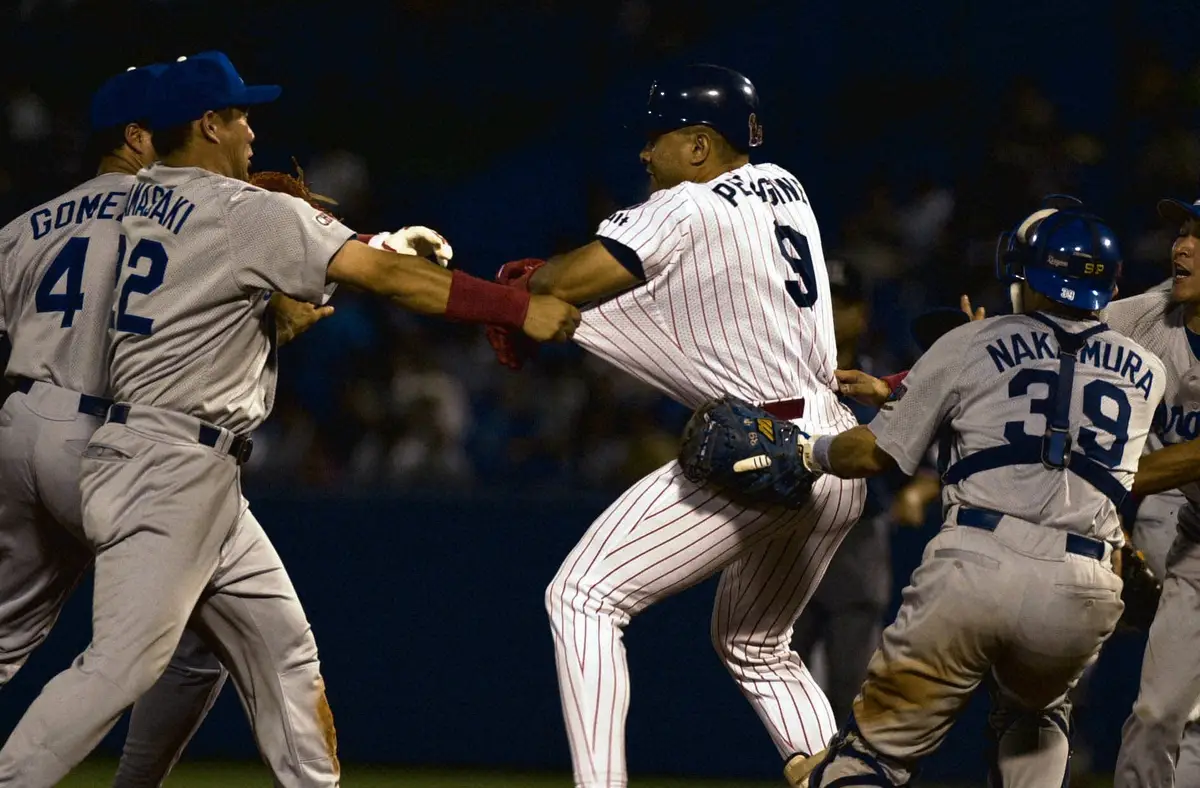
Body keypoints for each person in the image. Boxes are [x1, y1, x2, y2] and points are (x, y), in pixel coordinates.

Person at [0, 50, 579, 787]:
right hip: (163, 458)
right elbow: (370, 276)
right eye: (240, 115)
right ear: (206, 124)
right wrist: (515, 306)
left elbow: (228, 304)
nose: (252, 131)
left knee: (280, 646)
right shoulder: (237, 210)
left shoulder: (123, 211)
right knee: (121, 665)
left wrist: (369, 248)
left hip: (136, 442)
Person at [487, 64, 866, 788]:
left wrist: (512, 293)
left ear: (698, 146)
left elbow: (565, 285)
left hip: (762, 452)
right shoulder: (788, 187)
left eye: (657, 138)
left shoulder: (685, 206)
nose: (644, 153)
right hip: (833, 450)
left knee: (583, 597)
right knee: (755, 643)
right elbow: (682, 316)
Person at [788, 203, 1166, 787]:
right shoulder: (1148, 370)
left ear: (1026, 275)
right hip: (1084, 583)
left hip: (977, 563)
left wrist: (805, 451)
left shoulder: (974, 340)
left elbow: (871, 455)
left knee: (871, 760)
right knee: (1039, 716)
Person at [0, 64, 250, 787]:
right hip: (103, 435)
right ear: (138, 136)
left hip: (19, 421)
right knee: (188, 626)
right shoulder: (168, 217)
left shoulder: (23, 227)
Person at [791, 260, 931, 725]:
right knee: (781, 685)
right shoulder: (784, 381)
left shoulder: (881, 387)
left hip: (857, 541)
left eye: (842, 303)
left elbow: (933, 463)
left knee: (851, 685)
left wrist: (916, 495)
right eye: (823, 303)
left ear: (862, 314)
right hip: (792, 536)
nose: (830, 315)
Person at [1112, 196, 1200, 788]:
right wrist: (903, 384)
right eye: (1183, 232)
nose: (1183, 245)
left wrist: (1114, 476)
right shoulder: (1148, 318)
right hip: (1198, 538)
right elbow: (1048, 334)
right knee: (1157, 714)